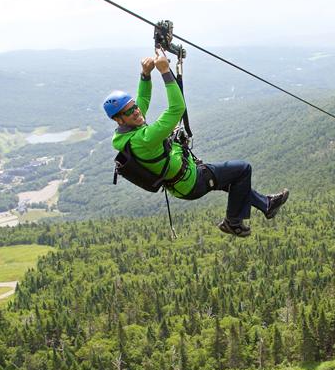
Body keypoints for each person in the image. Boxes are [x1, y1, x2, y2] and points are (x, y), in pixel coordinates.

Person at [105, 51, 288, 237]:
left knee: (232, 180)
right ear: (119, 119)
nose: (136, 112)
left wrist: (145, 75)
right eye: (130, 111)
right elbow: (177, 109)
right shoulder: (143, 138)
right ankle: (233, 222)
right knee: (242, 169)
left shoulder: (126, 131)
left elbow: (142, 100)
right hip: (192, 182)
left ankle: (266, 204)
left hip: (184, 179)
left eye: (134, 106)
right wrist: (165, 72)